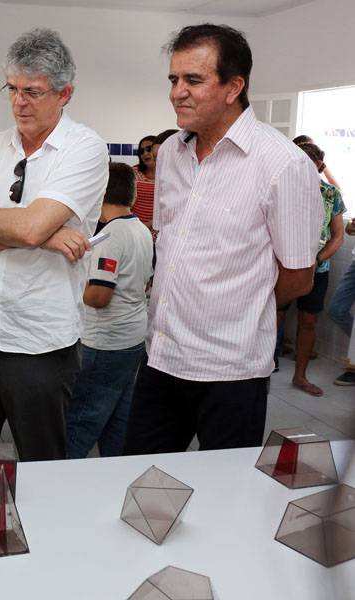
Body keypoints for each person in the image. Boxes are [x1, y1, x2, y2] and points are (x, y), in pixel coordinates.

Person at [123, 24, 322, 455]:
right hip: (161, 356)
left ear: (234, 87)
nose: (177, 92)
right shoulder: (172, 152)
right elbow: (170, 243)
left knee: (225, 487)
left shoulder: (282, 164)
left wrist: (238, 306)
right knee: (139, 478)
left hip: (231, 370)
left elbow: (298, 278)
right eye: (174, 79)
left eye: (193, 80)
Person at [0, 28, 109, 464]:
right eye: (13, 89)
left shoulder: (85, 148)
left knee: (40, 465)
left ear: (64, 93)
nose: (20, 102)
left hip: (40, 343)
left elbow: (28, 228)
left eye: (33, 91)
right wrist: (44, 235)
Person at [65, 163, 153, 459]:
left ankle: (58, 474)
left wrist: (72, 286)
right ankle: (116, 474)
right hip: (132, 338)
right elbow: (143, 282)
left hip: (105, 342)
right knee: (118, 419)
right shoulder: (140, 229)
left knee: (81, 419)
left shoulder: (110, 237)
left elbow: (99, 295)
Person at [275, 142, 344, 396]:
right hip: (282, 268)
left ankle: (300, 376)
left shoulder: (331, 194)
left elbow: (338, 237)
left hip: (317, 269)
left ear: (317, 165)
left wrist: (317, 260)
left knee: (308, 321)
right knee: (273, 319)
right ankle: (263, 375)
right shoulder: (280, 188)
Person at [131, 135, 156, 230]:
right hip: (136, 228)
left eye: (149, 149)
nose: (145, 153)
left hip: (160, 229)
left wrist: (152, 224)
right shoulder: (133, 172)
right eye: (141, 151)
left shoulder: (169, 174)